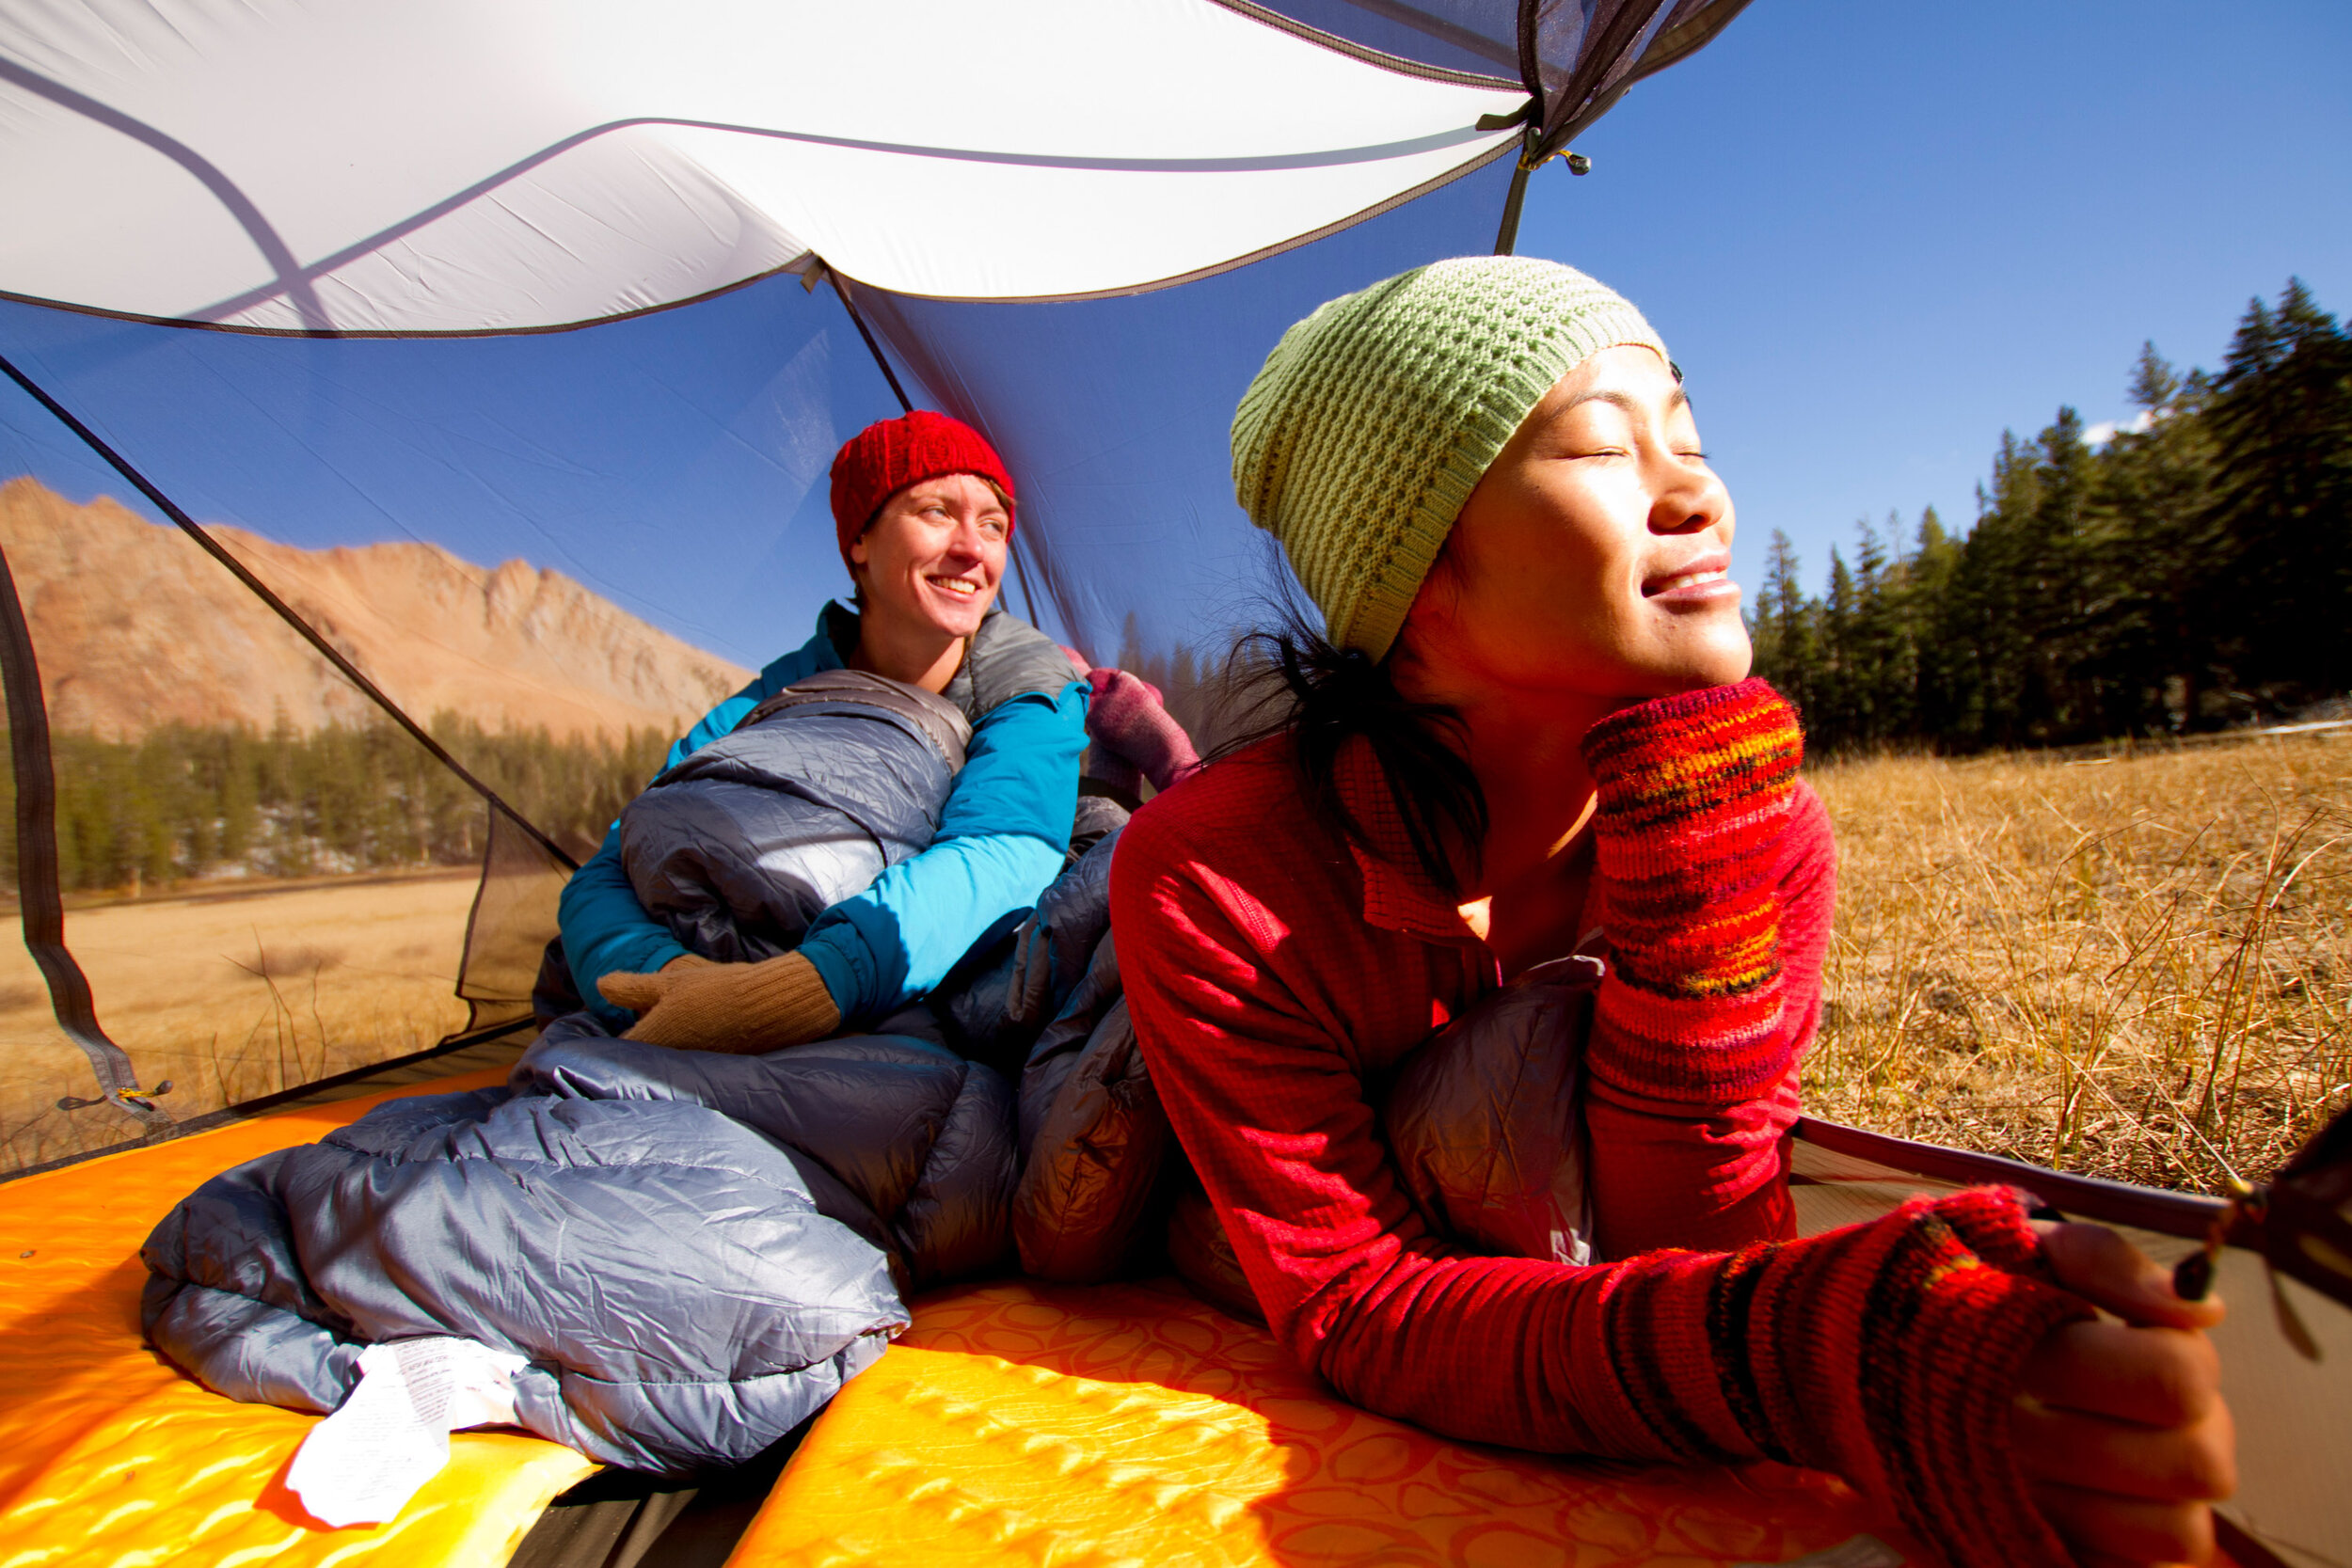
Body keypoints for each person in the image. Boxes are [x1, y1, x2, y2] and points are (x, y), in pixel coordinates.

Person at [1108, 258, 2235, 1568]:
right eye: (1601, 445)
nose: (1700, 493)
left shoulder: (1769, 836)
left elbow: (1691, 1245)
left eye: (1689, 437)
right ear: (1419, 590)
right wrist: (1814, 1354)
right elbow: (1362, 1303)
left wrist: (1695, 870)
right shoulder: (1216, 873)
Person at [564, 410, 1113, 1053]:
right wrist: (673, 982)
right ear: (860, 539)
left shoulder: (1027, 681)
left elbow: (1005, 847)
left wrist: (800, 988)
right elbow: (610, 867)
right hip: (721, 966)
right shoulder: (779, 694)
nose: (974, 548)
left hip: (874, 987)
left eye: (993, 525)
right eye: (936, 511)